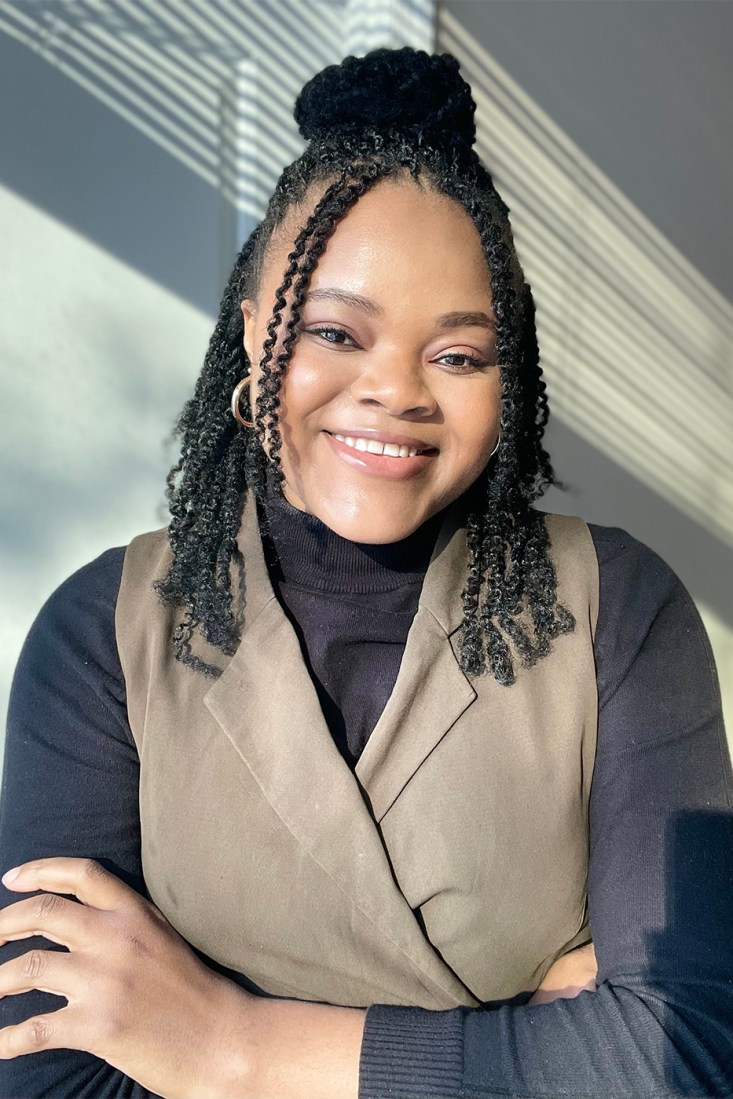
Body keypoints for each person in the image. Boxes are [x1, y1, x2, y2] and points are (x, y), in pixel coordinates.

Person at [1, 46, 732, 1099]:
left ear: (507, 377)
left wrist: (225, 1045)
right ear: (255, 336)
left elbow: (687, 1054)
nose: (395, 393)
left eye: (458, 355)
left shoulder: (617, 610)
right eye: (335, 331)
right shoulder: (103, 634)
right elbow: (52, 1076)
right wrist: (505, 1044)